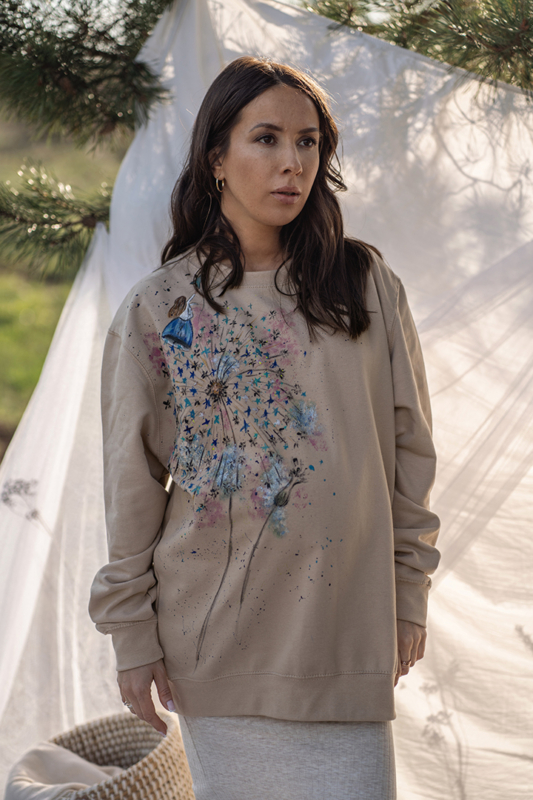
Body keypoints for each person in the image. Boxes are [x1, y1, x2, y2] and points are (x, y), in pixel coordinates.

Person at [89, 56, 440, 800]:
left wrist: (409, 591)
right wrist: (131, 635)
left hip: (344, 633)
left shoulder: (364, 287)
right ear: (216, 157)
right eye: (267, 139)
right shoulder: (163, 309)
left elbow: (410, 451)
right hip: (214, 639)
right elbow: (130, 483)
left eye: (308, 142)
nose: (292, 163)